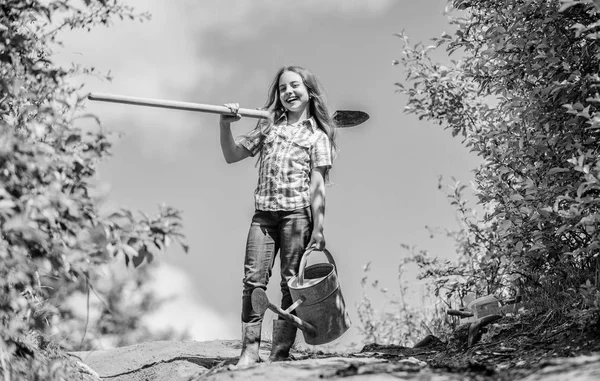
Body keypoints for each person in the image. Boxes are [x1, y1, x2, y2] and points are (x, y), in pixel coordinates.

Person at [219, 65, 337, 367]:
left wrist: (319, 229)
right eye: (283, 88)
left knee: (290, 284)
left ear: (309, 91)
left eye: (295, 86)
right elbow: (232, 155)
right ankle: (249, 351)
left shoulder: (317, 137)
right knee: (253, 282)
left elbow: (317, 185)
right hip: (264, 217)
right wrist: (225, 124)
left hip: (297, 216)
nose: (289, 92)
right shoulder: (268, 126)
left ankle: (280, 351)